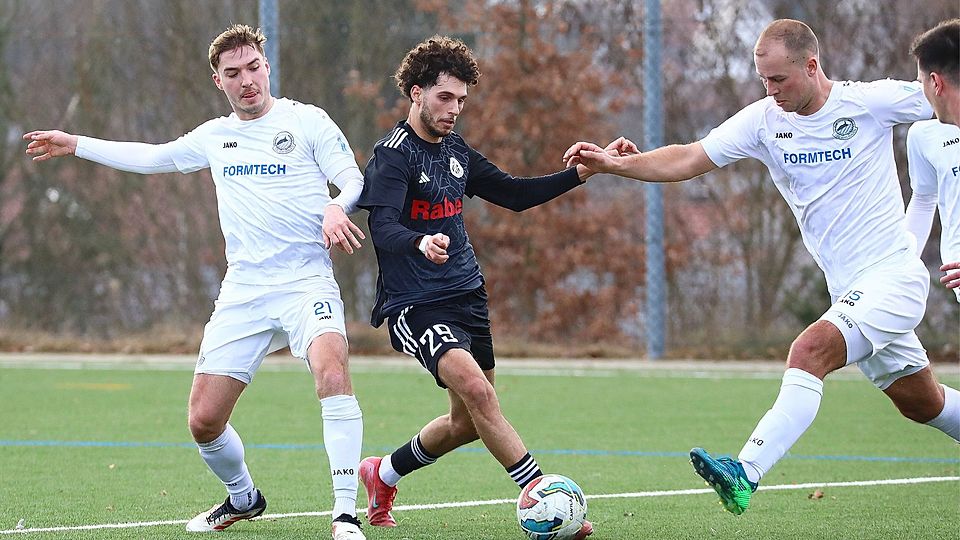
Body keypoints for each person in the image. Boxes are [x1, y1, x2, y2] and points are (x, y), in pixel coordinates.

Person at [564, 18, 960, 516]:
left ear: (811, 66)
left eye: (780, 80)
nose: (770, 91)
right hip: (851, 292)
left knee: (808, 350)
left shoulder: (870, 101)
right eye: (763, 81)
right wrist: (616, 164)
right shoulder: (762, 121)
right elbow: (688, 158)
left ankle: (745, 472)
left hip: (893, 279)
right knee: (922, 403)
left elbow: (944, 95)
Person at [24, 24, 368, 540]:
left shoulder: (308, 121)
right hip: (244, 291)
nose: (247, 80)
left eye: (253, 68)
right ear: (219, 81)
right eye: (234, 74)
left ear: (266, 67)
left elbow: (354, 180)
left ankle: (344, 515)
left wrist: (335, 208)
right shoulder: (215, 136)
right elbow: (154, 157)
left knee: (332, 370)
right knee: (203, 422)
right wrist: (76, 144)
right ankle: (243, 499)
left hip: (305, 282)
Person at [354, 35, 621, 538]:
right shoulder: (393, 157)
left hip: (466, 296)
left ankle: (382, 473)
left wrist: (580, 173)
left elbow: (514, 194)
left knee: (469, 420)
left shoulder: (455, 149)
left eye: (461, 100)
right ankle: (542, 495)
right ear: (416, 93)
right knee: (478, 390)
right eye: (444, 98)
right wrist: (419, 242)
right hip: (415, 303)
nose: (454, 110)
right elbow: (383, 228)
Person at [908, 19, 960, 295]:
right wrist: (901, 263)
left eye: (920, 83)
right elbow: (923, 199)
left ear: (935, 82)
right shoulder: (924, 137)